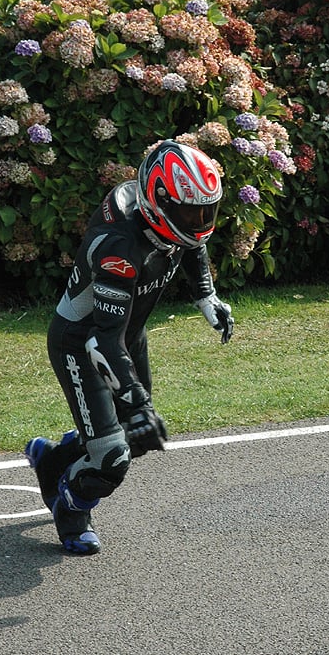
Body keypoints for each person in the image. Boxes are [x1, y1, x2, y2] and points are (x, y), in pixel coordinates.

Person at [25, 139, 234, 555]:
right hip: (82, 342)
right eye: (190, 211)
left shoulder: (166, 215)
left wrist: (206, 296)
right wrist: (137, 404)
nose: (199, 221)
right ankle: (69, 507)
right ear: (157, 200)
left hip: (126, 336)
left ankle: (54, 457)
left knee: (136, 436)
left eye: (205, 210)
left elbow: (192, 244)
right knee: (112, 458)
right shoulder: (119, 246)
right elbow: (101, 341)